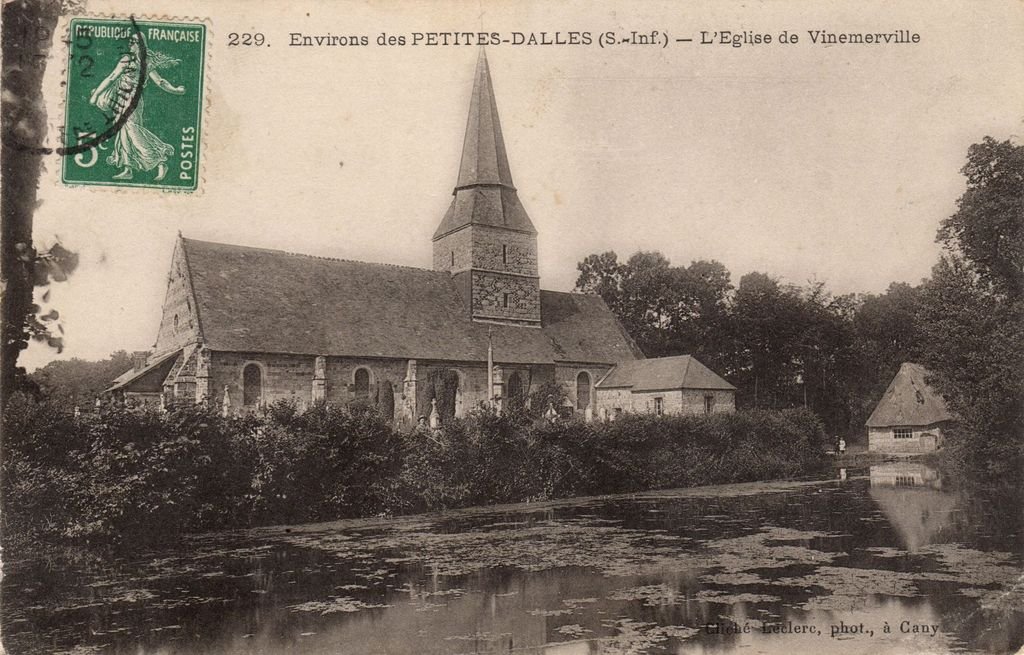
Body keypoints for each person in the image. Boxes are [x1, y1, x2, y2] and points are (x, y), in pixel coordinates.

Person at [89, 33, 184, 181]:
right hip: (121, 98)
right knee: (123, 131)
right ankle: (128, 169)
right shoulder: (126, 59)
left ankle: (160, 161)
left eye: (134, 41)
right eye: (130, 41)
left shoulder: (147, 62)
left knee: (132, 130)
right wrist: (96, 95)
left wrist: (175, 90)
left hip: (134, 99)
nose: (130, 44)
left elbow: (160, 81)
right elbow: (112, 77)